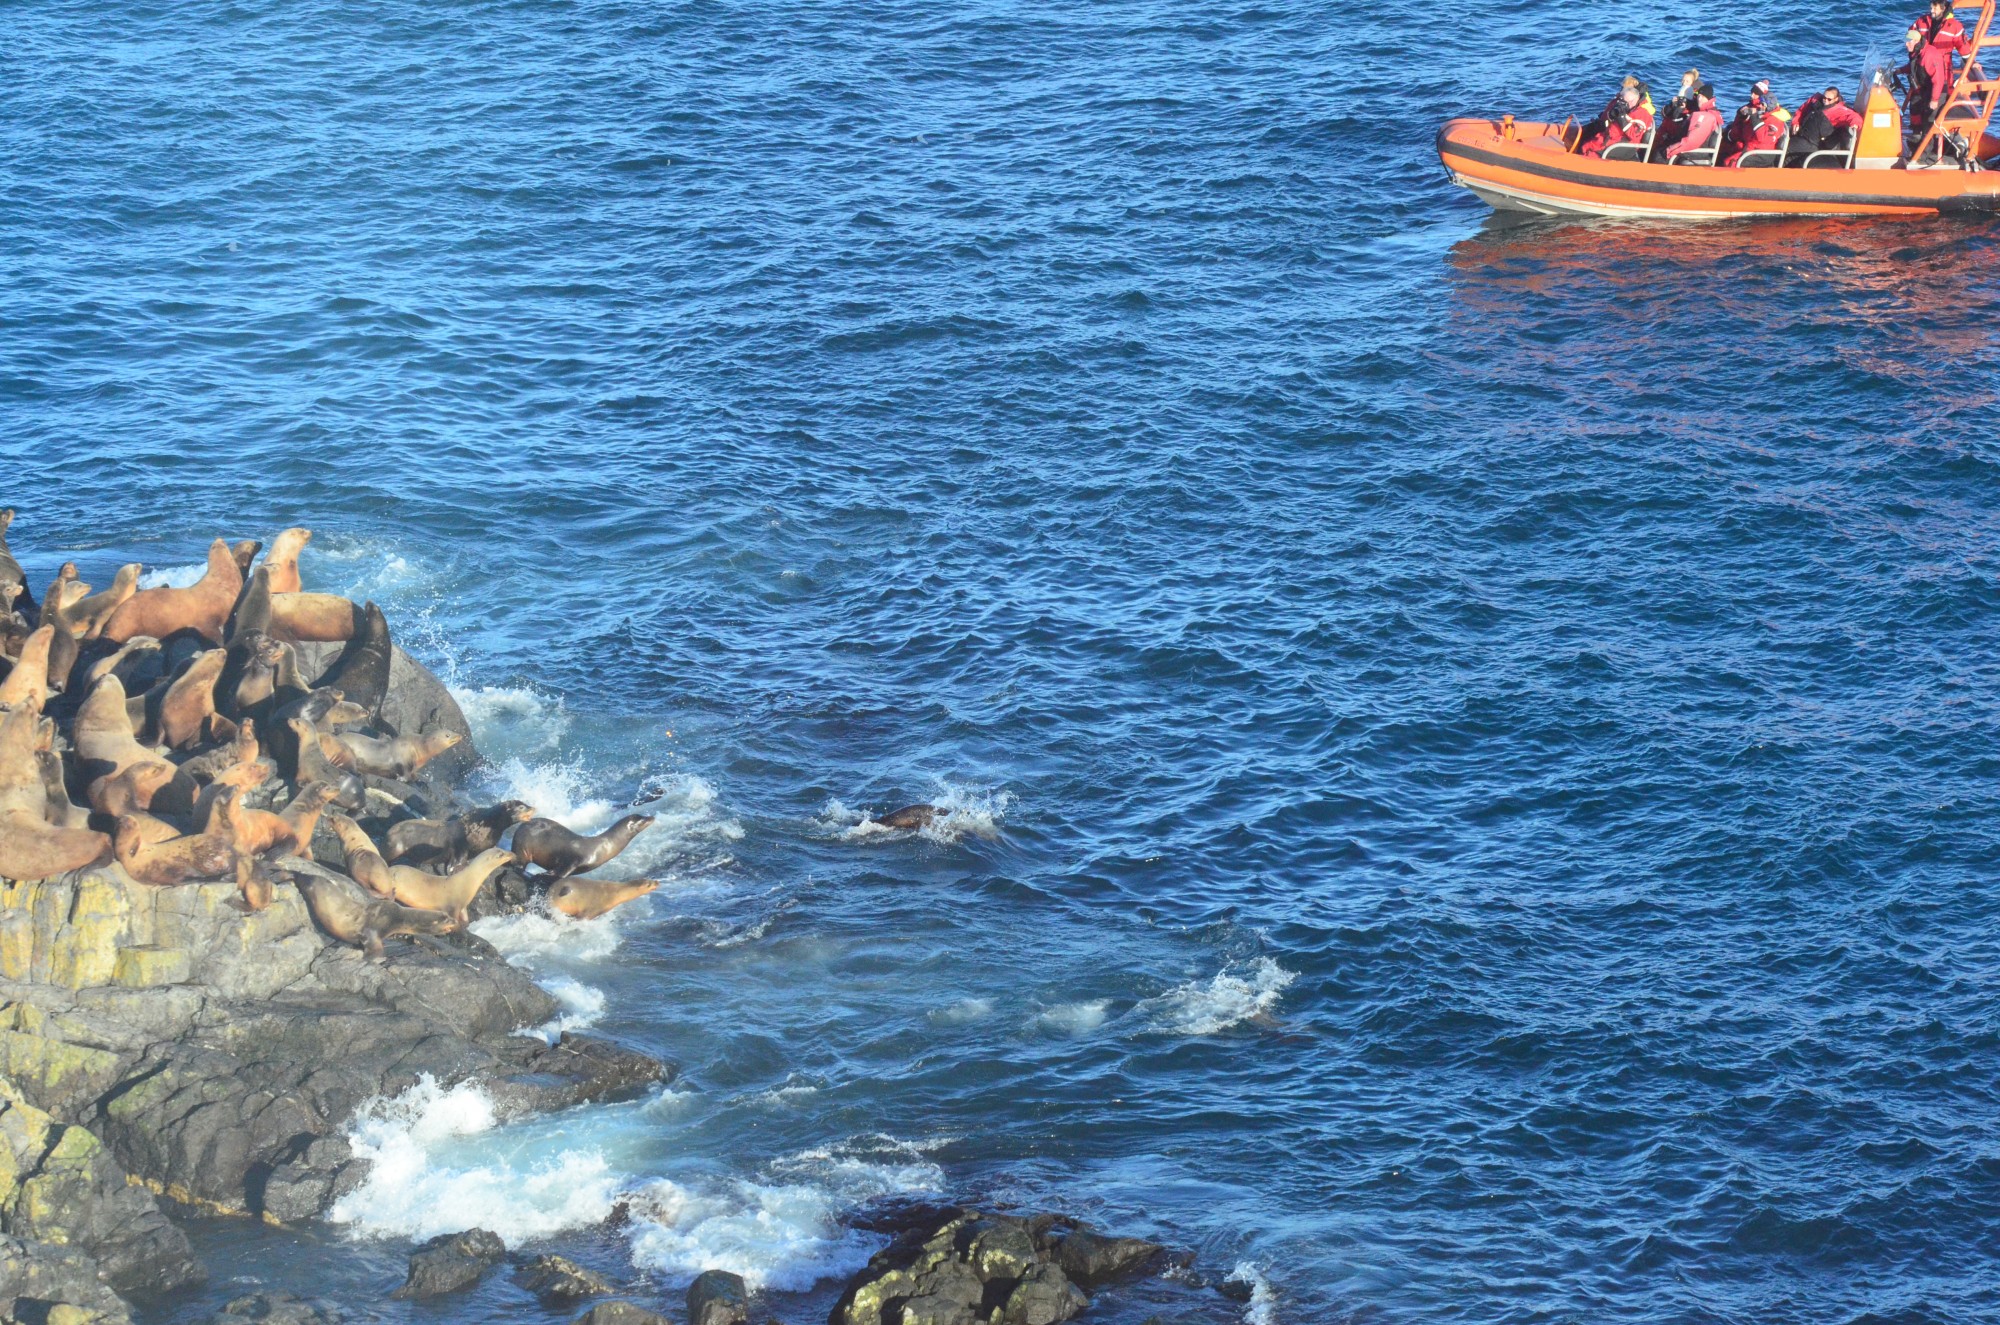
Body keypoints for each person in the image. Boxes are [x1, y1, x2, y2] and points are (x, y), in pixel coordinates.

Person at [1909, 0, 1971, 126]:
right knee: (1916, 100)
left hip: (1943, 68)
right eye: (1931, 8)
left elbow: (1963, 47)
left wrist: (1971, 62)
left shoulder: (1955, 26)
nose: (1932, 11)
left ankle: (1934, 134)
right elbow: (1911, 37)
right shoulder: (1921, 22)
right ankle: (1916, 131)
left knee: (1938, 103)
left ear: (1943, 8)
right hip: (1922, 67)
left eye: (1935, 8)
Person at [1575, 75, 1656, 152]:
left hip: (1619, 137)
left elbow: (1633, 132)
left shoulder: (1641, 110)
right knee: (1584, 132)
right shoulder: (1622, 100)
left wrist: (1620, 118)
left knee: (1588, 144)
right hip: (1608, 126)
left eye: (1625, 88)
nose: (1622, 90)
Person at [1786, 84, 1864, 164]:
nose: (1825, 101)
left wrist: (1855, 125)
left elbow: (1854, 117)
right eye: (1824, 98)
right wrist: (1795, 122)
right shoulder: (1815, 99)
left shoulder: (1838, 110)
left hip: (1811, 143)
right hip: (1800, 134)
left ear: (1836, 99)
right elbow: (1800, 110)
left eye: (1829, 99)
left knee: (1786, 153)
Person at [1721, 80, 1790, 166]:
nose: (1752, 95)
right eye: (1752, 92)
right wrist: (1741, 116)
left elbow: (1762, 138)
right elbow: (1742, 131)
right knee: (1722, 150)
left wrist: (1754, 116)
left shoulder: (1775, 119)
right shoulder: (1756, 111)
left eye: (1755, 93)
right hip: (1748, 145)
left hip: (1761, 152)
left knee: (1731, 162)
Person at [1651, 68, 1703, 161]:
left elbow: (1682, 121)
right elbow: (1664, 113)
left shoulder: (1694, 103)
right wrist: (1672, 105)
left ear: (1692, 83)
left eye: (1687, 81)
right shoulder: (1679, 96)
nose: (1684, 83)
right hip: (1665, 132)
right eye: (1682, 80)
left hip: (1674, 136)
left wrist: (1685, 107)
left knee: (1658, 153)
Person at [1664, 84, 1725, 161]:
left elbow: (1692, 141)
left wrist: (1669, 150)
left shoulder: (1706, 116)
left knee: (1660, 155)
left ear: (1708, 98)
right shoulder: (1702, 111)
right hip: (1694, 148)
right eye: (1699, 96)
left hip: (1698, 151)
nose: (1699, 99)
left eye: (1703, 97)